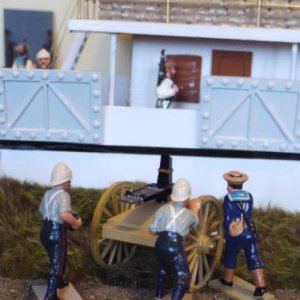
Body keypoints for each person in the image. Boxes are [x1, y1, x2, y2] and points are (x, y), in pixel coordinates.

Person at [149, 178, 200, 300]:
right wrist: (195, 210)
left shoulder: (162, 209)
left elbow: (152, 229)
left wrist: (160, 230)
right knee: (183, 276)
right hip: (175, 246)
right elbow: (195, 223)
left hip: (160, 244)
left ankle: (158, 296)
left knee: (162, 268)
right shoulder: (190, 215)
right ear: (187, 199)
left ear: (172, 197)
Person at [39, 162, 82, 300]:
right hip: (56, 232)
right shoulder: (63, 195)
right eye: (69, 181)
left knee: (55, 259)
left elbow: (41, 210)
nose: (70, 184)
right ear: (64, 182)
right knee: (57, 263)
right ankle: (50, 296)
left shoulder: (47, 193)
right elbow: (64, 215)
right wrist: (75, 223)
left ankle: (59, 282)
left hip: (44, 231)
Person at [220, 170, 267, 298]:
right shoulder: (249, 196)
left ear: (229, 185)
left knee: (230, 255)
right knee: (253, 256)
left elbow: (228, 218)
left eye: (227, 185)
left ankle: (228, 281)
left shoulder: (228, 198)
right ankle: (261, 286)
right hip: (249, 232)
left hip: (235, 234)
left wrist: (224, 234)